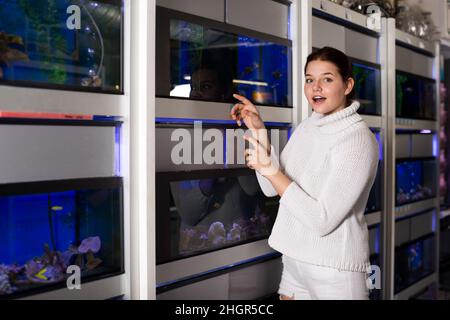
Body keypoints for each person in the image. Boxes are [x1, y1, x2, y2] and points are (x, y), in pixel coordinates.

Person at [230, 46, 379, 300]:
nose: (315, 87)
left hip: (336, 271)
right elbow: (271, 188)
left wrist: (269, 169)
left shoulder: (357, 139)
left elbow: (321, 221)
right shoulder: (307, 127)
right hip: (294, 261)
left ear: (348, 85)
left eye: (327, 79)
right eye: (310, 79)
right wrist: (258, 130)